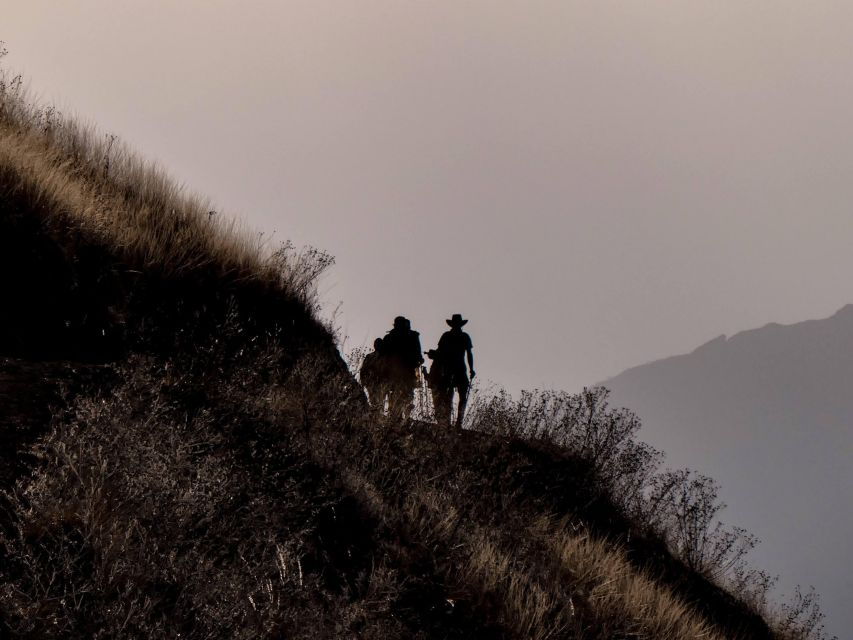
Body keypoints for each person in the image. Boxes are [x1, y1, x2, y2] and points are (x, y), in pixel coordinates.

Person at [436, 313, 475, 430]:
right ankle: (451, 421)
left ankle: (457, 422)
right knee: (451, 396)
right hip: (453, 369)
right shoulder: (459, 336)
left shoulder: (450, 336)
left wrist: (471, 368)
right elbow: (469, 354)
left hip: (457, 369)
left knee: (459, 396)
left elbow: (469, 354)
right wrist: (471, 369)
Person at [382, 316, 423, 420]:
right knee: (402, 392)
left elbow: (383, 353)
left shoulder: (392, 337)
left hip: (401, 370)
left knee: (402, 392)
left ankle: (400, 415)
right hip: (399, 370)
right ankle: (400, 415)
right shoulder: (410, 336)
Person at [424, 348, 452, 426]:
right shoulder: (441, 363)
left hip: (437, 387)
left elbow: (432, 378)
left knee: (438, 405)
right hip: (440, 387)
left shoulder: (437, 364)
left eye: (429, 354)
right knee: (441, 405)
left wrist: (425, 374)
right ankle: (444, 422)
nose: (428, 356)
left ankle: (442, 423)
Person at [360, 337, 388, 411]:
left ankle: (377, 415)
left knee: (377, 402)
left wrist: (363, 382)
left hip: (377, 383)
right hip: (374, 383)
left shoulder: (371, 356)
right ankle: (377, 415)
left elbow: (363, 371)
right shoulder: (383, 358)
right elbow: (363, 371)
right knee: (377, 402)